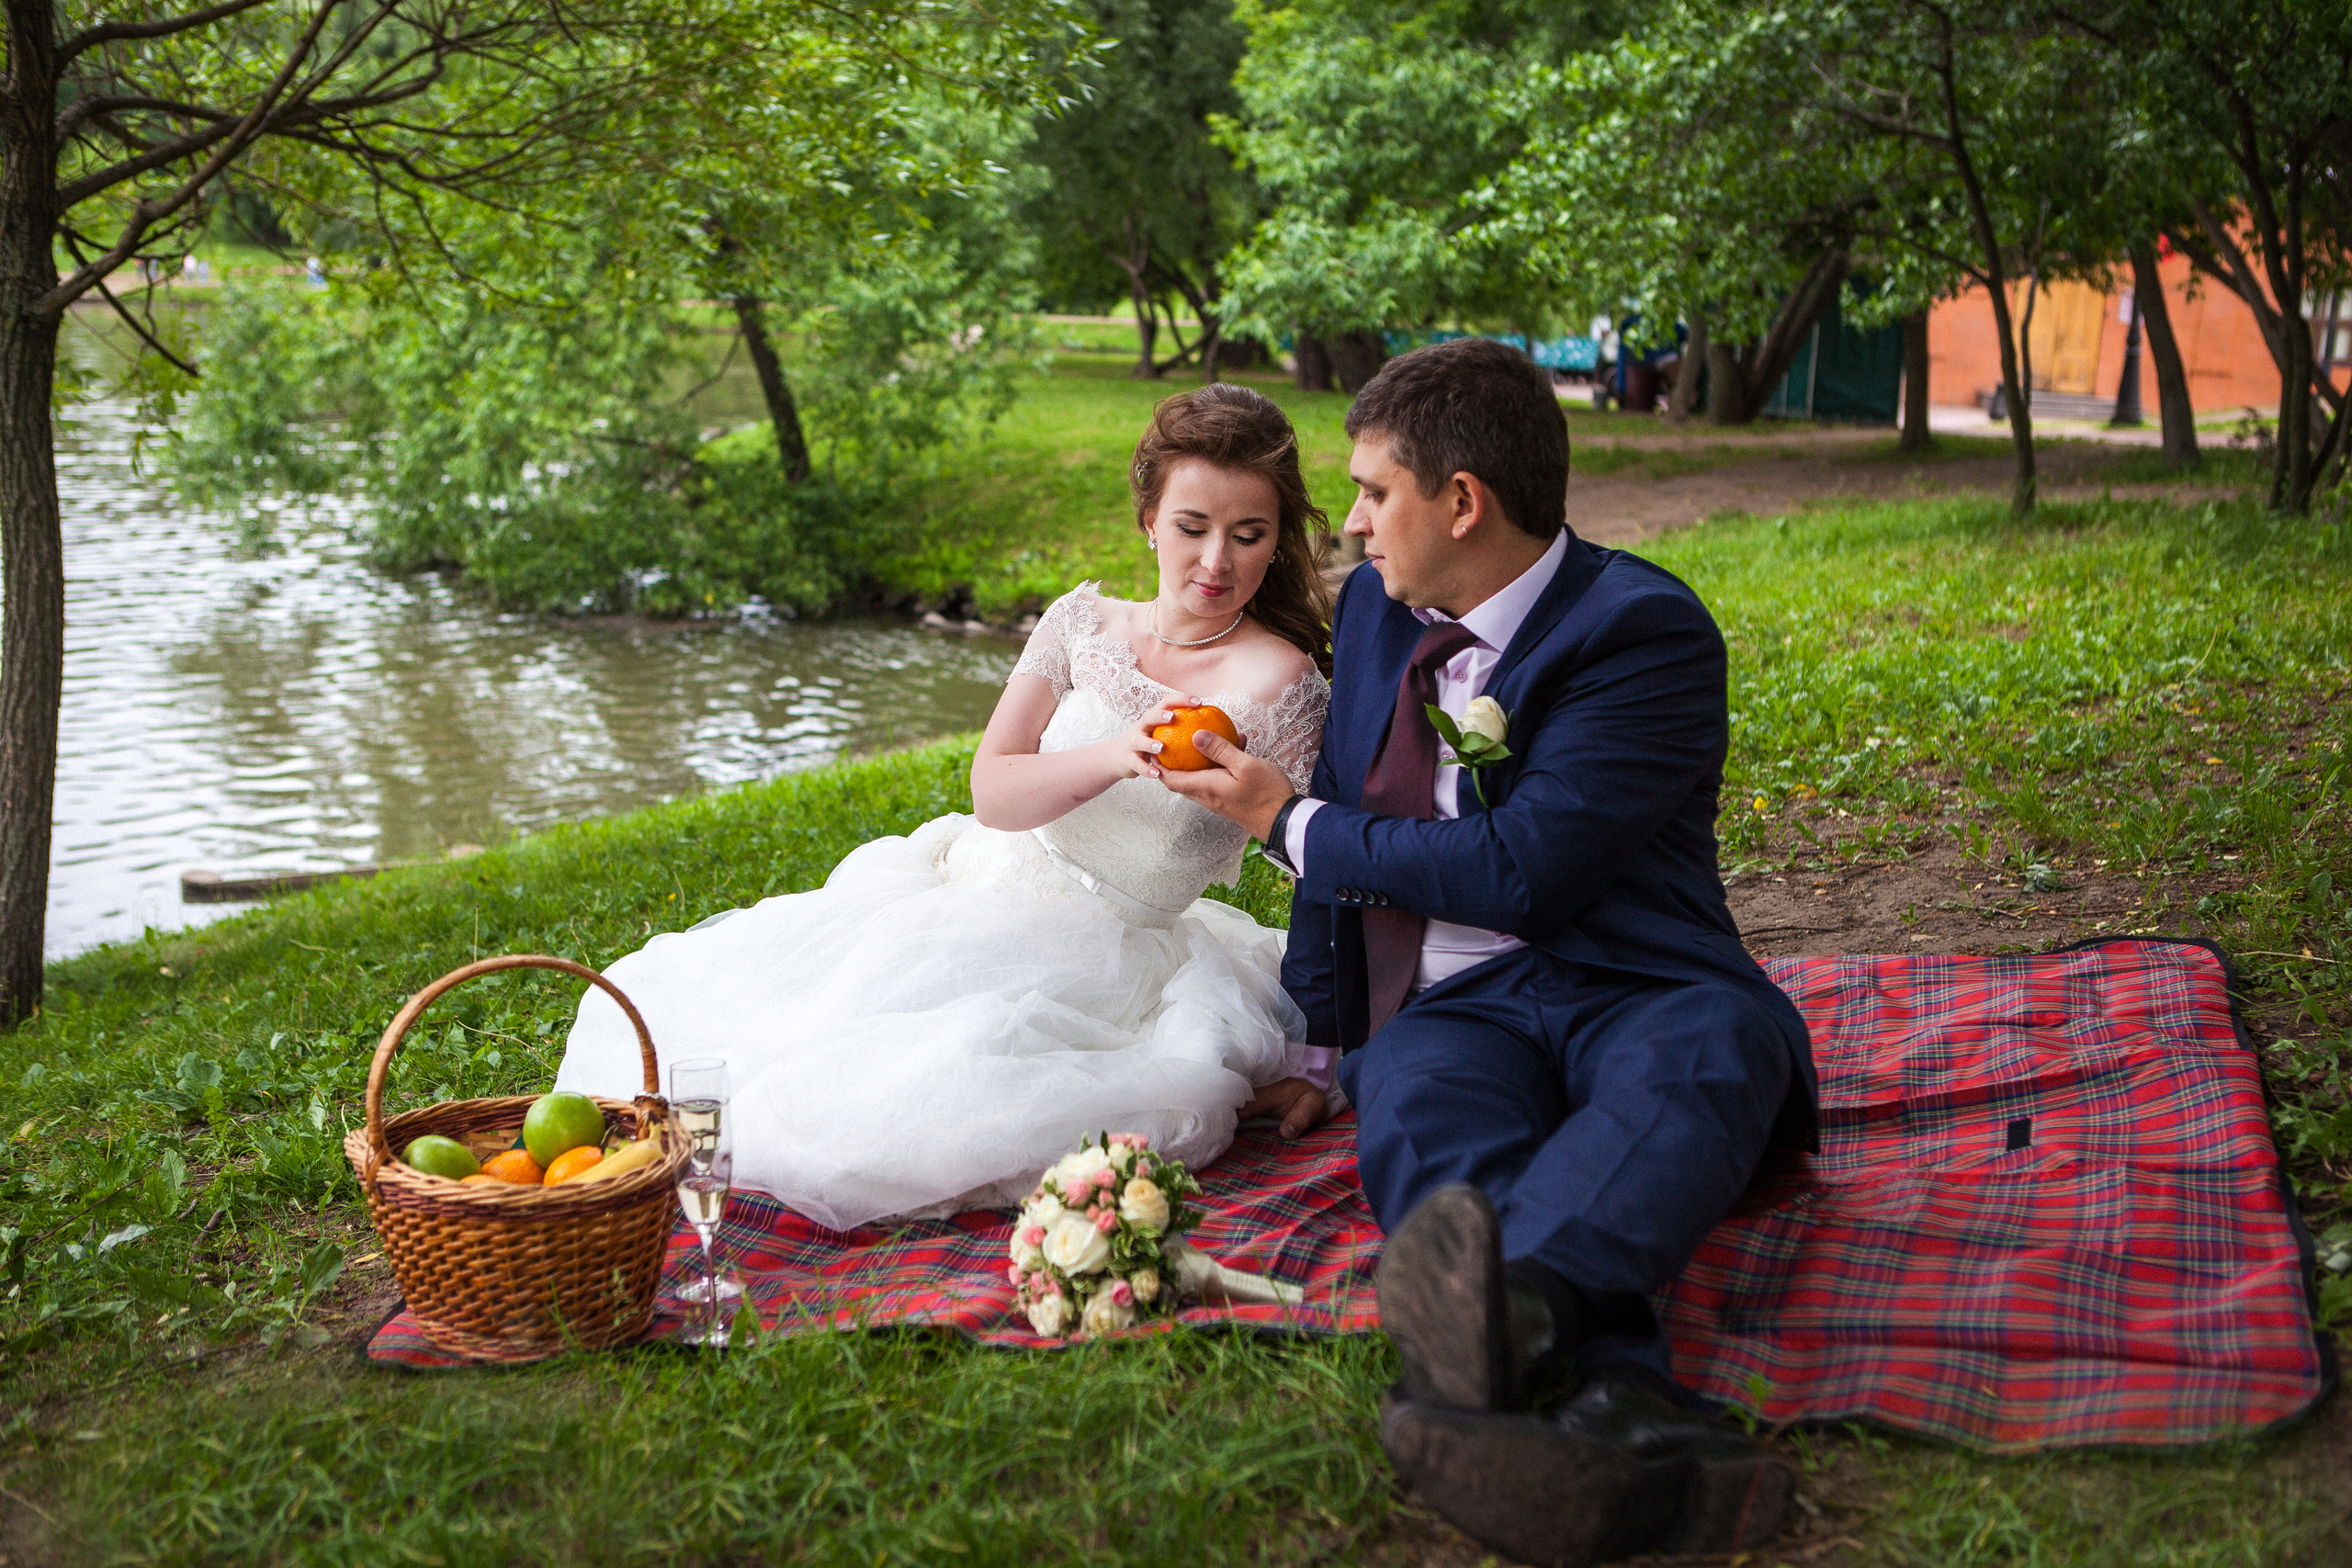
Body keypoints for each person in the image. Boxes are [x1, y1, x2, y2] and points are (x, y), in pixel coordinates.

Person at [1159, 337, 1817, 1565]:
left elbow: (1528, 869)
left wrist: (1284, 821)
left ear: (1461, 501)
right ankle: (1620, 1406)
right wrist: (1318, 1029)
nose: (1350, 522)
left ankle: (1502, 1322)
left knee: (1703, 1067)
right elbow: (1355, 806)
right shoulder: (1369, 610)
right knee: (1414, 1116)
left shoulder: (1644, 630)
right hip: (1453, 1002)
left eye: (1372, 491)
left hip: (1640, 978)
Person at [552, 384, 1332, 1230]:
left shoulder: (1284, 685)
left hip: (1119, 954)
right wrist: (1115, 756)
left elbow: (1309, 864)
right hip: (967, 893)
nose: (1216, 562)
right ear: (1149, 516)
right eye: (1192, 527)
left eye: (1248, 535)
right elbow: (993, 790)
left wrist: (1320, 1051)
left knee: (929, 1099)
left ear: (1276, 538)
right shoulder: (1081, 622)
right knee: (735, 1034)